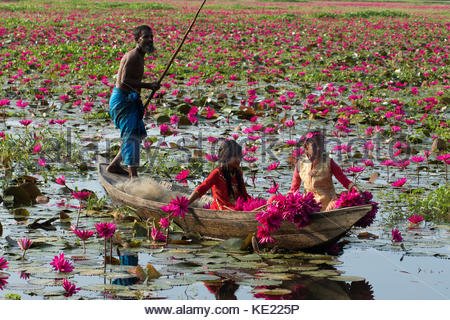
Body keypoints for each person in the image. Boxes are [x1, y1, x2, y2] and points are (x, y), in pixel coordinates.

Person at [107, 25, 160, 178]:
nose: (150, 40)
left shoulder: (140, 56)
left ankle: (115, 165)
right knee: (131, 137)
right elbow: (124, 82)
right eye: (146, 37)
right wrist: (148, 85)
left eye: (151, 37)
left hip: (130, 99)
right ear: (137, 40)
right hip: (122, 101)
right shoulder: (133, 57)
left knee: (135, 133)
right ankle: (134, 178)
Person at [290, 131, 358, 211]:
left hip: (329, 203)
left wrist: (354, 188)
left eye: (321, 145)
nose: (319, 148)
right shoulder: (300, 164)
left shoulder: (329, 162)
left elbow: (344, 180)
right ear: (306, 146)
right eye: (315, 146)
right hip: (308, 205)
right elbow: (294, 189)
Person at [188, 140, 250, 210]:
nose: (239, 159)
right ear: (226, 157)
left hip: (236, 208)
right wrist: (185, 204)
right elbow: (202, 189)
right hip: (221, 209)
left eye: (239, 156)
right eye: (235, 156)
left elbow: (244, 195)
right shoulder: (217, 173)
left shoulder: (238, 173)